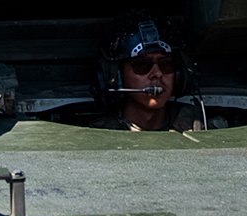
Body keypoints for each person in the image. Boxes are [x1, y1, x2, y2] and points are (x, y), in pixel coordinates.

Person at [89, 13, 217, 132]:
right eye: (142, 65)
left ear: (180, 74)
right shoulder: (97, 135)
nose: (157, 74)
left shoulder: (200, 128)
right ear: (116, 77)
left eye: (165, 64)